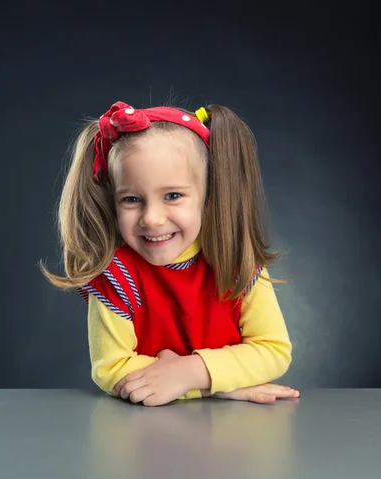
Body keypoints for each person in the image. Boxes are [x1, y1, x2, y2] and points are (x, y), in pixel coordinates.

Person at [41, 100, 299, 406]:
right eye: (132, 199)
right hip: (145, 437)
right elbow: (111, 369)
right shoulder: (115, 276)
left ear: (208, 195)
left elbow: (273, 350)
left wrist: (188, 372)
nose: (151, 218)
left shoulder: (237, 262)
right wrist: (217, 386)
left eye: (173, 195)